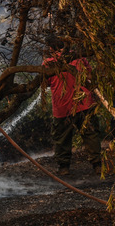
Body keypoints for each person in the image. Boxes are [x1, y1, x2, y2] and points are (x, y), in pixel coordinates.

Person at [44, 45, 103, 176]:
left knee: (62, 138)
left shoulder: (48, 62)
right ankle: (97, 165)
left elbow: (45, 82)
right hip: (85, 104)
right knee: (91, 134)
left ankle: (64, 167)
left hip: (62, 107)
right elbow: (89, 75)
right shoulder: (78, 57)